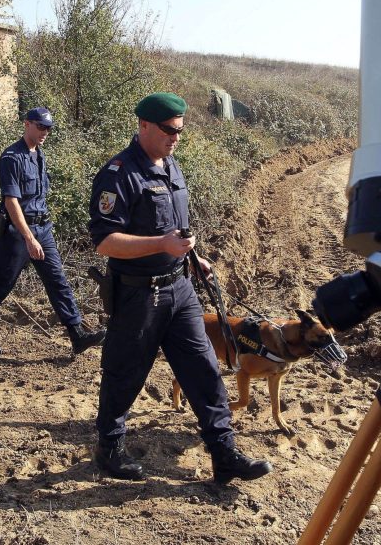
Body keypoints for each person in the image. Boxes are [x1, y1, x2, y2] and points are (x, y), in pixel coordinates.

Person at [87, 92, 273, 483]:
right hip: (139, 295)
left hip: (181, 288)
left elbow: (176, 228)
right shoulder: (119, 174)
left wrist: (193, 256)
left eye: (180, 131)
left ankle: (224, 454)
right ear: (144, 126)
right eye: (170, 130)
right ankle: (109, 447)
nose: (176, 138)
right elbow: (105, 241)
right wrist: (161, 246)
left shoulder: (171, 166)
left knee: (205, 370)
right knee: (125, 373)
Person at [0, 107, 105, 357]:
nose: (45, 132)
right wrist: (28, 237)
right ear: (26, 124)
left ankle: (77, 335)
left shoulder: (38, 154)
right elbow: (11, 201)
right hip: (18, 232)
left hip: (43, 227)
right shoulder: (11, 157)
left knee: (57, 280)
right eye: (40, 127)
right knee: (1, 283)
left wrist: (39, 233)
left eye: (48, 128)